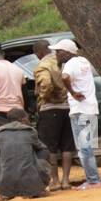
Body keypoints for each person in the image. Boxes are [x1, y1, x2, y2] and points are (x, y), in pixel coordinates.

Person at [55, 39, 101, 190]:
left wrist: (73, 93)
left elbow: (64, 77)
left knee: (84, 147)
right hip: (90, 109)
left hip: (80, 110)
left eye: (59, 51)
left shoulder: (70, 64)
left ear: (67, 52)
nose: (56, 54)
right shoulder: (83, 61)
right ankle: (93, 179)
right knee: (86, 145)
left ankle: (93, 180)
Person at [32, 39, 75, 191]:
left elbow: (46, 84)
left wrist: (42, 98)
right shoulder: (62, 62)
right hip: (68, 107)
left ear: (39, 52)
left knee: (50, 147)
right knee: (67, 146)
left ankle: (55, 180)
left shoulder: (43, 65)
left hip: (50, 108)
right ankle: (66, 181)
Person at [0, 108, 51, 200]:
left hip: (5, 184)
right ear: (22, 120)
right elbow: (42, 148)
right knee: (44, 152)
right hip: (31, 182)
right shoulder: (30, 131)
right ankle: (38, 187)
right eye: (27, 118)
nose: (29, 120)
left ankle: (5, 191)